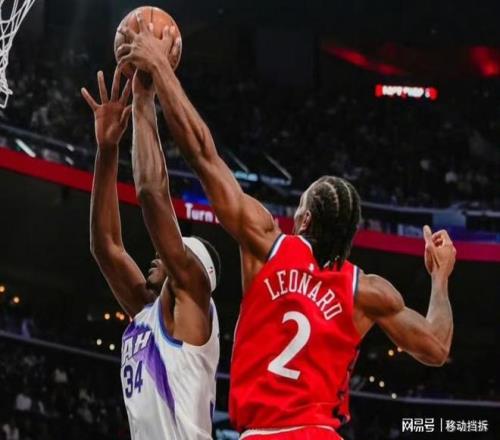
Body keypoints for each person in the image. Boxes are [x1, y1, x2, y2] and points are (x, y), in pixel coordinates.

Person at [117, 15, 455, 439]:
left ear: (306, 219)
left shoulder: (267, 244)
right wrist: (440, 276)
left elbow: (203, 154)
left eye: (299, 207)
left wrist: (159, 71)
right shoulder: (367, 291)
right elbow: (437, 347)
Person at [82, 68, 221, 440]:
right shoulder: (147, 313)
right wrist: (107, 150)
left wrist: (144, 98)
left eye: (175, 253)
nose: (160, 254)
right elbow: (106, 247)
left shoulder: (194, 303)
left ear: (193, 270)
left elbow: (151, 195)